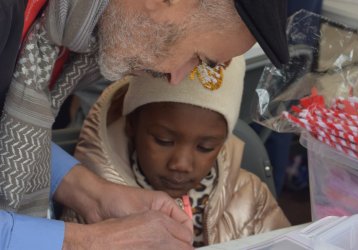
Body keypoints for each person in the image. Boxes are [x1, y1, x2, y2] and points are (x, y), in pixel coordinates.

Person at [0, 0, 290, 249]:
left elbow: (12, 137)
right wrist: (88, 241)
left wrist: (92, 193)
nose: (177, 78)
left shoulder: (58, 30)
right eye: (198, 58)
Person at [61, 56, 290, 248]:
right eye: (164, 140)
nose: (181, 163)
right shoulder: (91, 202)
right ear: (132, 125)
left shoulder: (251, 197)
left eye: (205, 147)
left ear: (223, 143)